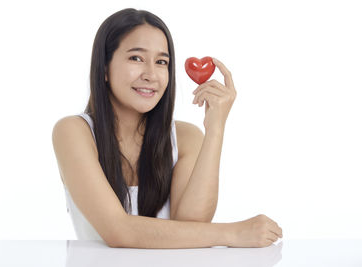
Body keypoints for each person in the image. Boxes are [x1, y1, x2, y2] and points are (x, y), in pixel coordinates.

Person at [52, 8, 283, 248]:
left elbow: (192, 224)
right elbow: (118, 231)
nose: (151, 74)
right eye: (136, 58)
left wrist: (215, 128)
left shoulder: (185, 137)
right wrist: (233, 234)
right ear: (104, 68)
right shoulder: (73, 132)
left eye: (161, 62)